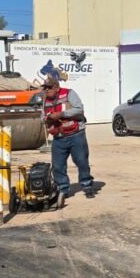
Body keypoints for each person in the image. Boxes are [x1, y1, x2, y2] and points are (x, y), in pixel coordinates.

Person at [42, 75, 94, 203]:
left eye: (49, 87)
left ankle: (87, 186)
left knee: (82, 161)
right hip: (58, 137)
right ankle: (63, 189)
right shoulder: (44, 99)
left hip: (76, 135)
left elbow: (79, 109)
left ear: (57, 87)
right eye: (45, 88)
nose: (47, 90)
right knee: (57, 165)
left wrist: (62, 114)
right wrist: (46, 119)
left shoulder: (69, 93)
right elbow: (41, 115)